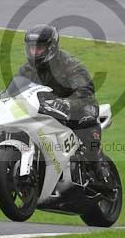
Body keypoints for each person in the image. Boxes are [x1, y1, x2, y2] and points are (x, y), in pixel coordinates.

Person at [17, 24, 111, 188]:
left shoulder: (69, 64)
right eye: (32, 48)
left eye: (39, 48)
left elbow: (85, 89)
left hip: (77, 105)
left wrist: (67, 103)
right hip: (47, 109)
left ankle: (100, 170)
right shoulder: (26, 70)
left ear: (51, 48)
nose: (34, 52)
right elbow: (16, 90)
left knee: (85, 120)